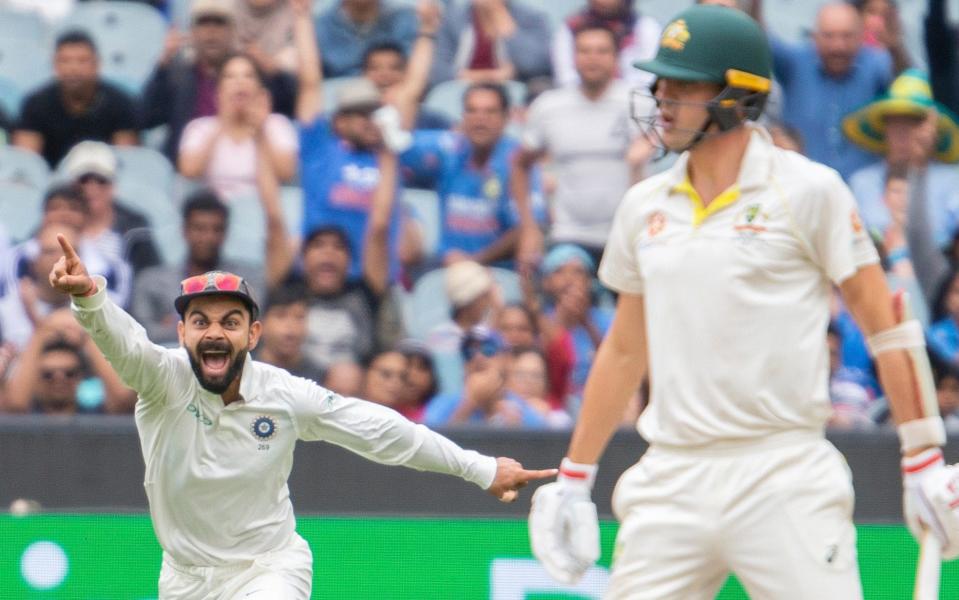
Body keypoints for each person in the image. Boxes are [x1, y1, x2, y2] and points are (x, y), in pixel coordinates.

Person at [528, 6, 959, 597]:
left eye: (682, 84)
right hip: (671, 474)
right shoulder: (643, 205)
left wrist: (922, 458)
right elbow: (625, 349)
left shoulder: (810, 191)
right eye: (659, 82)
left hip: (783, 475)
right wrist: (574, 477)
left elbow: (886, 327)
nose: (662, 97)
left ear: (738, 94)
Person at [49, 234, 552, 598]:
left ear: (253, 333)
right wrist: (89, 298)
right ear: (182, 334)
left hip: (269, 569)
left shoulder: (285, 394)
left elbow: (379, 431)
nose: (215, 333)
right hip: (184, 579)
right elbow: (127, 346)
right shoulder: (163, 380)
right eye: (200, 322)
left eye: (231, 321)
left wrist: (479, 468)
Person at [514, 22, 652, 271]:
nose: (593, 58)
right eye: (585, 51)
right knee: (569, 284)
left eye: (601, 51)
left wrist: (644, 154)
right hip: (569, 234)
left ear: (616, 57)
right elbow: (519, 164)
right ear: (573, 57)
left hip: (627, 234)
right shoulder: (549, 107)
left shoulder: (639, 104)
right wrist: (529, 226)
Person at [401, 82, 539, 268]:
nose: (479, 120)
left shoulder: (519, 162)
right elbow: (399, 145)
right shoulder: (450, 149)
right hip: (445, 264)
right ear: (463, 117)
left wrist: (476, 261)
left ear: (506, 118)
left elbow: (526, 228)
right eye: (472, 111)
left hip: (499, 269)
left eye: (490, 112)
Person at [142, 0, 297, 161]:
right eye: (203, 23)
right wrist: (162, 66)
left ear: (233, 31)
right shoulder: (178, 75)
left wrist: (273, 70)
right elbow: (145, 119)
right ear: (192, 32)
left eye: (219, 23)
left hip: (246, 166)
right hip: (189, 173)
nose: (211, 32)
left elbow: (295, 106)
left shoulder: (249, 74)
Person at [772, 2, 893, 180]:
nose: (838, 47)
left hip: (861, 193)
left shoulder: (877, 65)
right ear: (814, 37)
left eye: (847, 36)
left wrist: (894, 43)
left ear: (861, 36)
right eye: (829, 36)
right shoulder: (794, 63)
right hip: (803, 186)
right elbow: (756, 33)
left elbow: (907, 90)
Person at [130, 189, 264, 346]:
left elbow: (253, 329)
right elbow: (141, 333)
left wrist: (177, 323)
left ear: (226, 232)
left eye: (216, 229)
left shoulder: (245, 280)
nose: (208, 237)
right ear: (184, 230)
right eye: (199, 229)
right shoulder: (152, 281)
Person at [844, 69, 959, 252]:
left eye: (912, 123)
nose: (903, 134)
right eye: (895, 124)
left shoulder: (952, 181)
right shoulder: (862, 182)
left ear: (932, 131)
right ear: (884, 129)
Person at [177, 52, 299, 199]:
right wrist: (222, 123)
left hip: (263, 207)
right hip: (217, 211)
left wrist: (261, 131)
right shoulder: (199, 128)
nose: (239, 82)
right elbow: (189, 171)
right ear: (218, 93)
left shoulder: (277, 125)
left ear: (261, 91)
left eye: (248, 76)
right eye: (230, 77)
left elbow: (286, 173)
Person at [13, 30, 138, 167]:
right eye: (65, 61)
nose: (73, 68)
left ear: (97, 64)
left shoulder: (120, 103)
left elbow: (126, 162)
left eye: (82, 61)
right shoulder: (36, 104)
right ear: (54, 65)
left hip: (103, 181)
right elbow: (26, 164)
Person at [61, 141, 162, 276]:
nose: (92, 188)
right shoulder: (56, 221)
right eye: (84, 180)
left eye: (101, 180)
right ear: (72, 185)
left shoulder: (136, 229)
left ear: (113, 185)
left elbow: (150, 278)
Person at [428, 0, 552, 87]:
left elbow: (535, 66)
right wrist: (491, 77)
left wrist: (502, 17)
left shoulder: (532, 18)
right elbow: (438, 73)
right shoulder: (453, 19)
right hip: (459, 93)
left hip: (514, 97)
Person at [550, 0, 661, 90]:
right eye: (585, 51)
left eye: (602, 51)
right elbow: (566, 78)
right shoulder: (571, 27)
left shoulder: (646, 27)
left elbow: (648, 78)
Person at [315, 0, 418, 78]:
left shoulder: (405, 20)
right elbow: (309, 82)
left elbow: (419, 74)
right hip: (337, 97)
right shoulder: (319, 27)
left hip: (398, 96)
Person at [253, 283, 325, 383]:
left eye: (299, 317)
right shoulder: (242, 371)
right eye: (281, 316)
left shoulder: (320, 377)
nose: (291, 326)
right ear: (261, 324)